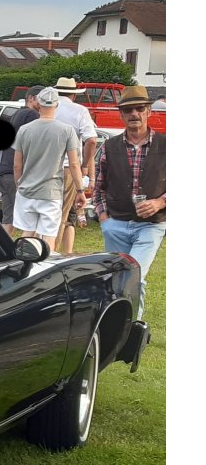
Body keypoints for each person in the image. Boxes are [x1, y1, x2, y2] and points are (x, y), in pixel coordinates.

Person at [94, 85, 165, 317]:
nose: (134, 114)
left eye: (139, 109)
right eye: (128, 110)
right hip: (116, 224)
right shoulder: (109, 146)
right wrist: (105, 219)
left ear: (149, 112)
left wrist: (160, 203)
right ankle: (116, 327)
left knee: (135, 277)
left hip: (151, 225)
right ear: (121, 115)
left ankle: (134, 329)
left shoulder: (168, 146)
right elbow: (99, 187)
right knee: (116, 280)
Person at [12, 86, 83, 243]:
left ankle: (24, 263)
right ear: (56, 105)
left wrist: (19, 184)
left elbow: (17, 165)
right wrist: (80, 190)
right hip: (51, 192)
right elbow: (74, 164)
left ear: (38, 103)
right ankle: (45, 265)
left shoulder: (24, 130)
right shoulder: (67, 130)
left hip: (27, 190)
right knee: (48, 236)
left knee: (27, 233)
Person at [51, 77, 98, 254]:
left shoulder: (48, 109)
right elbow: (91, 140)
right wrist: (85, 165)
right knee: (61, 216)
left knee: (44, 214)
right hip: (67, 168)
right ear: (74, 94)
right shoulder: (79, 111)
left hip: (43, 167)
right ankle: (50, 256)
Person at [0, 86, 42, 236]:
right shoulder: (32, 115)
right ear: (31, 98)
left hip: (4, 171)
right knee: (30, 219)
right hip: (17, 172)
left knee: (9, 217)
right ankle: (27, 253)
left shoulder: (17, 113)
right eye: (41, 99)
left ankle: (1, 250)